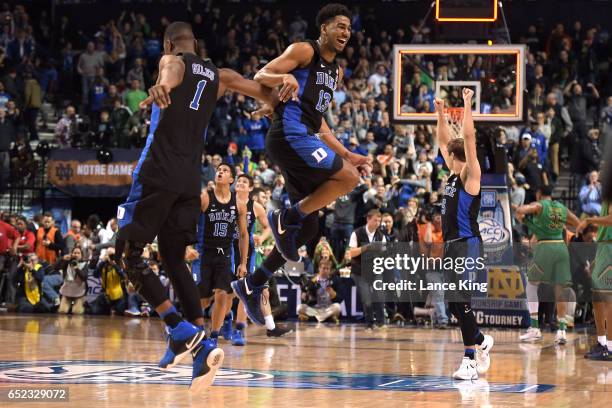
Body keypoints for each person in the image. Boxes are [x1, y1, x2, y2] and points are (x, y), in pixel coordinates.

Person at [114, 21, 277, 392]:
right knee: (173, 259)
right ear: (198, 45)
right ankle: (197, 344)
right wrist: (270, 103)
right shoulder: (221, 76)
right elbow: (263, 92)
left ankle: (180, 330)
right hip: (189, 181)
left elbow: (170, 71)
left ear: (170, 43)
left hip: (157, 173)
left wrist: (164, 85)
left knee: (127, 254)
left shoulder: (171, 59)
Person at [234, 4, 370, 324]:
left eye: (348, 28)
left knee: (305, 229)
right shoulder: (304, 50)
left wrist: (348, 153)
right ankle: (285, 216)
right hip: (288, 135)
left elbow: (319, 122)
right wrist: (284, 76)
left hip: (305, 136)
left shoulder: (334, 72)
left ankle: (252, 285)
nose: (345, 33)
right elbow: (260, 75)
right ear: (323, 28)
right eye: (339, 26)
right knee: (349, 179)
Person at [433, 91, 494, 381]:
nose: (445, 153)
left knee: (463, 300)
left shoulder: (470, 176)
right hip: (451, 246)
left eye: (448, 154)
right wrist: (440, 113)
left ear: (455, 158)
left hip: (468, 245)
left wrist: (469, 106)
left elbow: (468, 140)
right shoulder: (451, 175)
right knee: (455, 303)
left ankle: (470, 359)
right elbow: (444, 140)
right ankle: (482, 340)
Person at [225, 173, 291, 346]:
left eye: (244, 182)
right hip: (227, 250)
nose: (240, 183)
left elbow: (268, 227)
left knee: (252, 291)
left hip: (248, 253)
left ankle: (240, 329)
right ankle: (226, 320)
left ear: (251, 188)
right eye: (238, 181)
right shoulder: (226, 202)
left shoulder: (255, 207)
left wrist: (261, 237)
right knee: (226, 293)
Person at [515, 185, 580, 345]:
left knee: (531, 284)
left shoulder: (540, 205)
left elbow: (524, 210)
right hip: (561, 247)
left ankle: (535, 328)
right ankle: (562, 330)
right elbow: (577, 222)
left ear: (539, 194)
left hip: (545, 248)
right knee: (560, 289)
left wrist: (521, 210)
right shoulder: (561, 208)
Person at [194, 163, 249, 345]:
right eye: (219, 170)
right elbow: (190, 224)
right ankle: (188, 328)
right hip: (204, 254)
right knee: (202, 300)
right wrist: (188, 247)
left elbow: (243, 235)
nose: (220, 172)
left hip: (225, 254)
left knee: (222, 294)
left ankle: (214, 336)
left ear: (231, 179)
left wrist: (243, 262)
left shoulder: (239, 204)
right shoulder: (205, 197)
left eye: (225, 171)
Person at [578, 144, 612, 361]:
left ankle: (609, 345)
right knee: (597, 296)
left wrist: (589, 220)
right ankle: (602, 342)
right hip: (604, 247)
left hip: (610, 246)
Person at [348, 209, 386, 330]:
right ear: (368, 219)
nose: (377, 223)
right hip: (359, 271)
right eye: (375, 220)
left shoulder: (381, 236)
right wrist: (367, 247)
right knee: (367, 298)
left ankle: (381, 323)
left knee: (379, 296)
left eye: (379, 221)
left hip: (375, 270)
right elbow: (352, 253)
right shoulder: (357, 233)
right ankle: (369, 324)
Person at [297, 259, 343, 323]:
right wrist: (304, 296)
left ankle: (317, 318)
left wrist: (333, 294)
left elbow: (340, 299)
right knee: (299, 308)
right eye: (324, 268)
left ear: (330, 270)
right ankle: (324, 317)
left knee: (337, 307)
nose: (326, 270)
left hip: (328, 309)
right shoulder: (312, 281)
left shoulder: (335, 280)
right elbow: (305, 300)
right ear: (319, 268)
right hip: (314, 310)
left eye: (328, 269)